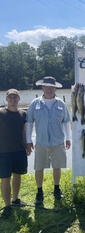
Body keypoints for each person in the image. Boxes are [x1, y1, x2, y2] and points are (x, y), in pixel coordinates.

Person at [26, 76, 71, 205]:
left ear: (55, 88)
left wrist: (68, 138)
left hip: (58, 142)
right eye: (46, 87)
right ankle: (39, 192)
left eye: (52, 87)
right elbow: (29, 123)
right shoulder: (35, 103)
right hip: (41, 142)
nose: (49, 89)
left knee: (57, 166)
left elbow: (67, 122)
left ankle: (57, 189)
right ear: (42, 88)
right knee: (38, 167)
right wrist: (29, 141)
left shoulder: (61, 104)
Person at [0, 89, 27, 218]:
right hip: (3, 151)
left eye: (15, 97)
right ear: (6, 99)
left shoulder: (23, 114)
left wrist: (28, 145)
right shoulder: (1, 112)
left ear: (19, 99)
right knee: (5, 178)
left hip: (20, 150)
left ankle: (15, 200)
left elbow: (24, 132)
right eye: (10, 97)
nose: (13, 99)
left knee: (18, 175)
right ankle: (7, 206)